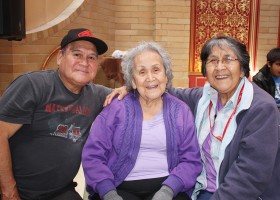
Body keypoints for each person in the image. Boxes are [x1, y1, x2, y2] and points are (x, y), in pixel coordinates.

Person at [106, 36, 280, 200]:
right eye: (213, 60)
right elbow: (162, 89)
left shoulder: (261, 108)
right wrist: (132, 88)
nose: (220, 67)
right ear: (205, 69)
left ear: (243, 69)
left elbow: (250, 175)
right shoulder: (203, 98)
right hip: (201, 190)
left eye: (228, 59)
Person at [0, 28, 114, 200]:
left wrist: (127, 89)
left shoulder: (97, 95)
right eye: (77, 54)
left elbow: (131, 95)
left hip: (60, 192)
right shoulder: (33, 85)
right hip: (16, 190)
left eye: (91, 57)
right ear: (60, 58)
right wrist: (9, 192)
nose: (84, 62)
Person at [82, 41, 202, 200]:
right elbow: (93, 156)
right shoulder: (116, 109)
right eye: (142, 72)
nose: (150, 78)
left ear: (166, 76)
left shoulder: (181, 111)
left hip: (169, 187)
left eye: (156, 70)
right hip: (119, 187)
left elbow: (191, 160)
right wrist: (109, 193)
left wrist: (167, 191)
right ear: (132, 80)